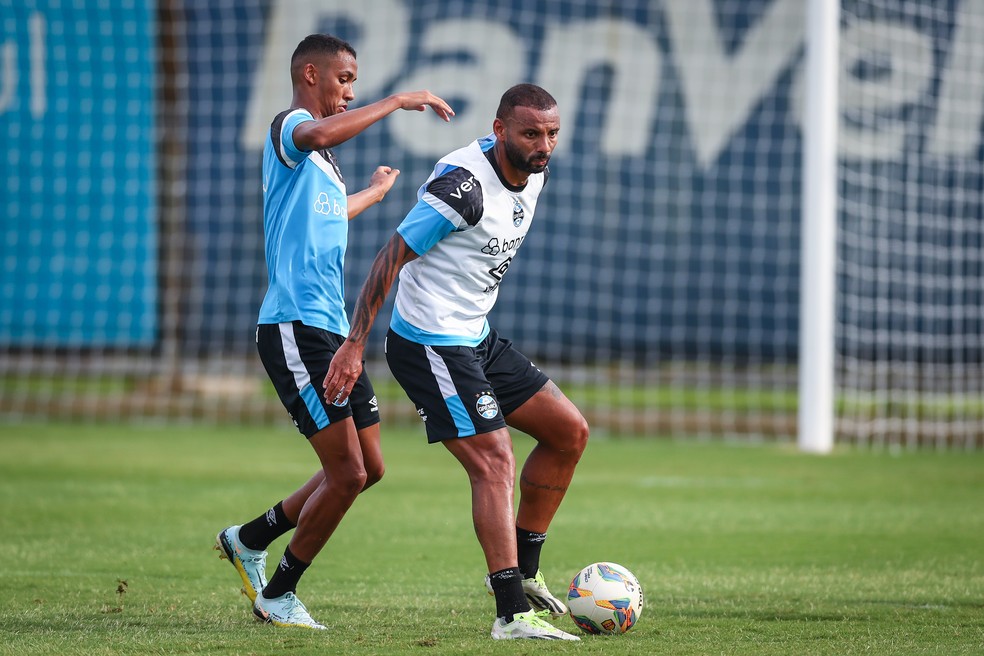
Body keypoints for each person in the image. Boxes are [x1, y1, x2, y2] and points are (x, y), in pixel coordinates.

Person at [324, 84, 588, 641]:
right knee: (494, 462)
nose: (543, 146)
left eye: (551, 134)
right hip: (428, 342)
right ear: (499, 131)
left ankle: (528, 575)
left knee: (568, 432)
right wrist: (354, 345)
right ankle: (511, 613)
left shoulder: (534, 170)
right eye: (530, 134)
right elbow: (390, 257)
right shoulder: (462, 191)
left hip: (475, 336)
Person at [214, 33, 453, 630]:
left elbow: (325, 212)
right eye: (345, 79)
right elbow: (317, 133)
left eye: (355, 81)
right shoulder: (292, 126)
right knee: (345, 473)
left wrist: (371, 194)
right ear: (311, 73)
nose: (350, 91)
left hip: (332, 329)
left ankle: (249, 538)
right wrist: (398, 101)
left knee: (368, 467)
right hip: (295, 327)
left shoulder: (320, 164)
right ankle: (278, 593)